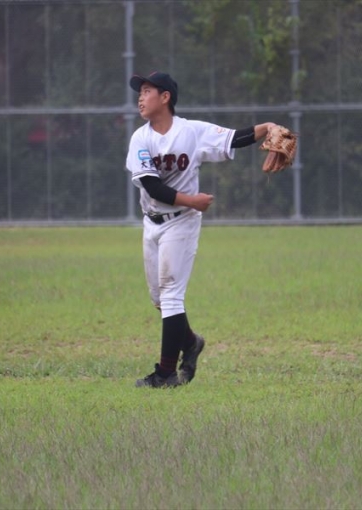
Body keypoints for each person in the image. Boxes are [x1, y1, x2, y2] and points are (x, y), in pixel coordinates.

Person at [125, 72, 276, 388]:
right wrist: (192, 199)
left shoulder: (191, 132)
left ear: (165, 97)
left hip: (182, 221)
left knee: (171, 295)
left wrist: (269, 128)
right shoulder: (140, 138)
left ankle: (165, 374)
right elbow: (152, 187)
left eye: (147, 91)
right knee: (159, 299)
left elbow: (234, 138)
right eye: (139, 92)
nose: (140, 97)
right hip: (152, 221)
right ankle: (191, 343)